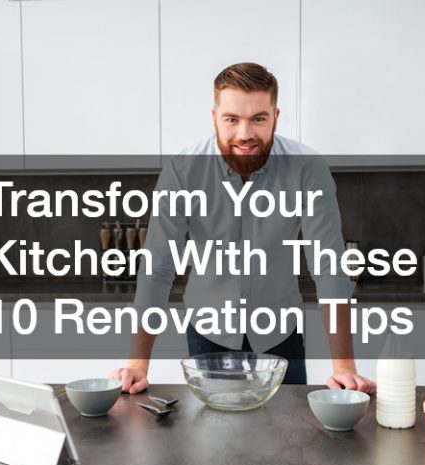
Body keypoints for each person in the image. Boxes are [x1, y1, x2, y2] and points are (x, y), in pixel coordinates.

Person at [111, 62, 376, 394]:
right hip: (208, 335)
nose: (245, 134)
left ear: (275, 117)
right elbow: (158, 266)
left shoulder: (307, 169)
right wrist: (137, 365)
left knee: (289, 440)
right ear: (214, 118)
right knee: (214, 438)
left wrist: (345, 367)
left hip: (281, 335)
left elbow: (329, 266)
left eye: (258, 119)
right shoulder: (183, 171)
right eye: (232, 119)